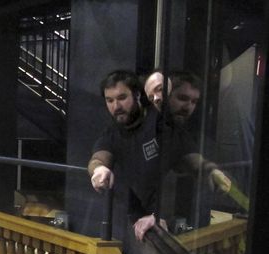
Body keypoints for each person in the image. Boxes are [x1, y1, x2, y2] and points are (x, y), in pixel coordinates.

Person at [88, 70, 230, 241]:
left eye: (122, 98)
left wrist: (211, 171)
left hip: (159, 223)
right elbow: (99, 157)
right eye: (110, 100)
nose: (116, 106)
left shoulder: (162, 124)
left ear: (137, 96)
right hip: (128, 219)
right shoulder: (114, 131)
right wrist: (99, 170)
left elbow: (188, 157)